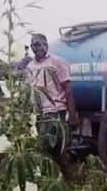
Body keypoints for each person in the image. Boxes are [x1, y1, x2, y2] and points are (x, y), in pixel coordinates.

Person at [22, 33, 79, 177]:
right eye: (34, 45)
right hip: (39, 114)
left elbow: (68, 89)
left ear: (46, 45)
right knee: (49, 151)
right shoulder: (30, 66)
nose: (37, 48)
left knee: (51, 148)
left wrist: (72, 115)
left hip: (55, 112)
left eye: (40, 44)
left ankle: (66, 179)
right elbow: (29, 92)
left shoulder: (57, 62)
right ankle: (60, 180)